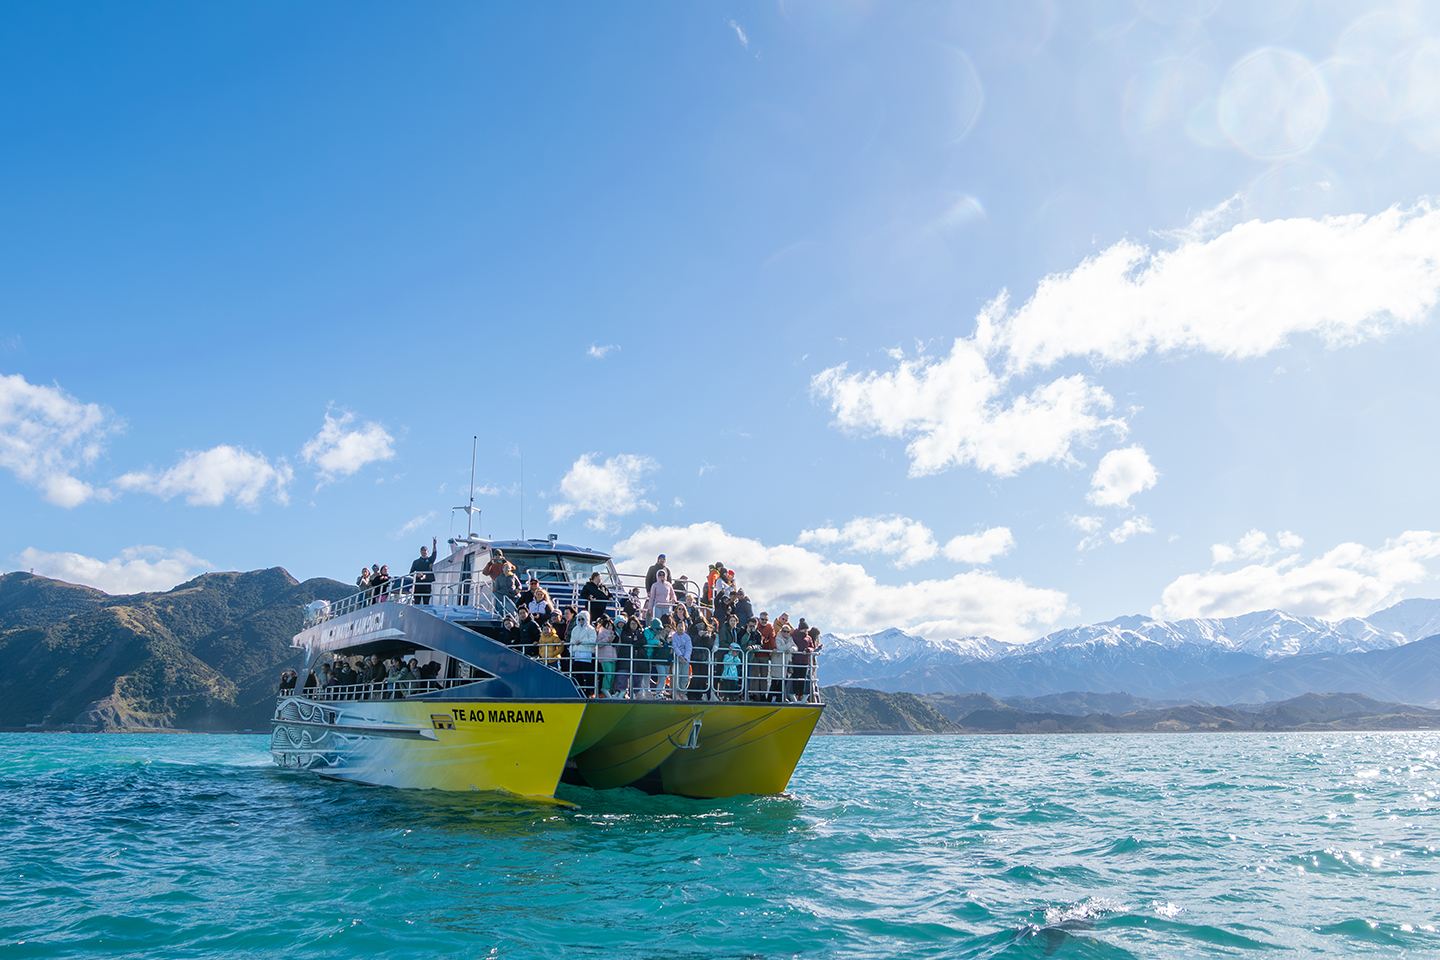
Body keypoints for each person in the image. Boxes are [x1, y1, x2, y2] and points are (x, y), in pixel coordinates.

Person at [569, 611, 598, 697]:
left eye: (582, 619)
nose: (581, 620)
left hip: (587, 655)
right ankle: (580, 692)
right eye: (579, 619)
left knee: (588, 675)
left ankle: (590, 693)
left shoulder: (591, 629)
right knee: (578, 675)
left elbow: (593, 641)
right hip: (577, 655)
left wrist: (581, 642)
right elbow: (571, 641)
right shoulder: (575, 629)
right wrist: (572, 652)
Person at [409, 537, 439, 605]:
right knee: (417, 602)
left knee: (426, 602)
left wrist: (434, 545)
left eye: (425, 550)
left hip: (427, 584)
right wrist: (417, 574)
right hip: (418, 584)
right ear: (420, 552)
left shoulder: (430, 560)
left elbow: (434, 555)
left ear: (427, 551)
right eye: (422, 550)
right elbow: (411, 573)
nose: (424, 552)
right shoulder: (416, 562)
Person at [596, 615, 617, 697]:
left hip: (612, 657)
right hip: (604, 657)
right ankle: (605, 689)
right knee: (608, 674)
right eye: (608, 625)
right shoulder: (601, 632)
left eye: (611, 625)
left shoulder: (614, 633)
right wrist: (607, 639)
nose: (610, 627)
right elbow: (598, 644)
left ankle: (609, 691)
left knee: (612, 675)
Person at [670, 620, 693, 699]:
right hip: (676, 658)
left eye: (682, 626)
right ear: (676, 627)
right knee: (676, 676)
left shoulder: (687, 637)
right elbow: (674, 646)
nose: (680, 628)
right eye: (679, 626)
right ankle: (675, 693)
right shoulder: (674, 636)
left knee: (684, 677)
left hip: (685, 660)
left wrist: (685, 657)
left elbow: (689, 648)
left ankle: (682, 692)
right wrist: (680, 656)